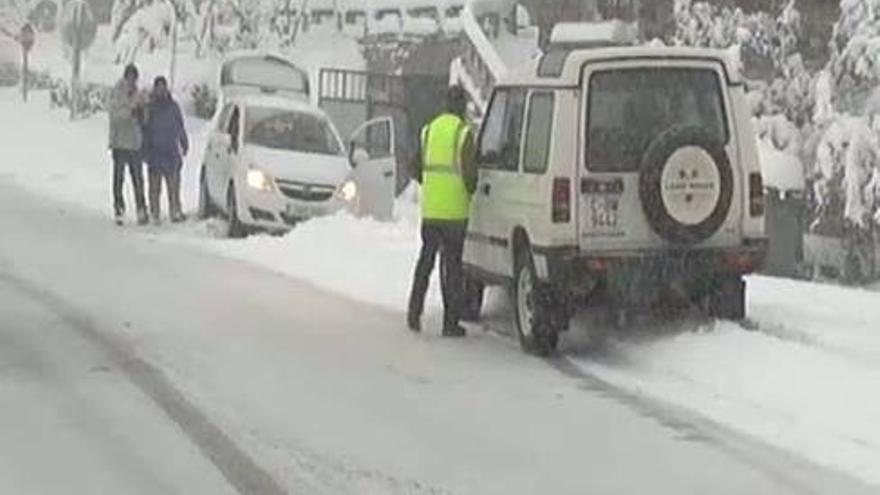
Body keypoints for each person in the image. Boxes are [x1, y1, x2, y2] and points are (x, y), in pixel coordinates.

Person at [407, 85, 477, 337]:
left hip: (431, 212)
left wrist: (433, 186)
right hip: (455, 215)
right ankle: (450, 323)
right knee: (452, 269)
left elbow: (415, 167)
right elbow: (470, 176)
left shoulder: (429, 130)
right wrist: (469, 189)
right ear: (462, 106)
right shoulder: (463, 133)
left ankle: (414, 313)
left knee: (425, 263)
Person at [143, 76, 189, 224]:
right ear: (155, 89)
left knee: (174, 186)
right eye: (158, 87)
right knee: (154, 187)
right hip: (154, 151)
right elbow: (144, 128)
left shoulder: (173, 107)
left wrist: (183, 142)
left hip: (171, 152)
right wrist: (144, 149)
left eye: (163, 87)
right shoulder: (150, 107)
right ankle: (154, 212)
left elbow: (180, 126)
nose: (161, 90)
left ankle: (175, 210)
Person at [108, 63, 148, 225]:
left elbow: (143, 120)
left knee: (138, 178)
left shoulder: (138, 94)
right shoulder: (117, 93)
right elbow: (115, 116)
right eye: (130, 78)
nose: (132, 82)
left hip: (134, 142)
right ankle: (119, 208)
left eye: (134, 79)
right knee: (119, 177)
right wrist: (131, 110)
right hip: (119, 142)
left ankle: (141, 208)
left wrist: (142, 112)